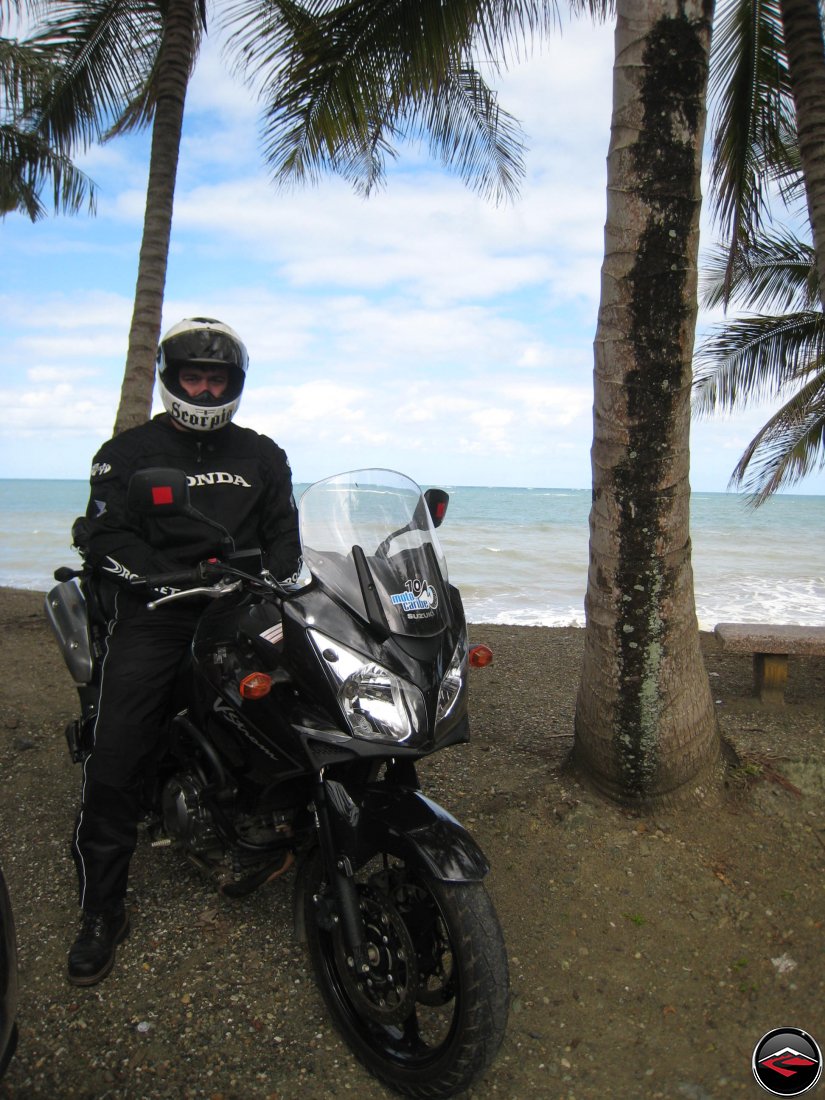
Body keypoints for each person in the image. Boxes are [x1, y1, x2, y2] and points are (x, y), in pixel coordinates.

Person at [68, 317, 301, 987]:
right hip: (159, 609)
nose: (204, 388)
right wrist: (168, 578)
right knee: (118, 751)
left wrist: (280, 581)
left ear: (234, 383)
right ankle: (102, 908)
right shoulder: (130, 450)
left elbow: (285, 537)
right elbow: (107, 536)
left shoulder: (262, 453)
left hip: (246, 604)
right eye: (193, 376)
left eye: (216, 377)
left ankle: (287, 827)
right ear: (172, 380)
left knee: (311, 703)